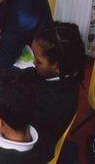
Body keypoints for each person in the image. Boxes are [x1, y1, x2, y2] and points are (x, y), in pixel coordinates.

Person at [25, 22, 86, 160]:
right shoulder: (69, 73)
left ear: (57, 66)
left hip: (37, 149)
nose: (34, 63)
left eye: (38, 61)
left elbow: (24, 133)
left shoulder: (52, 104)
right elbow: (30, 74)